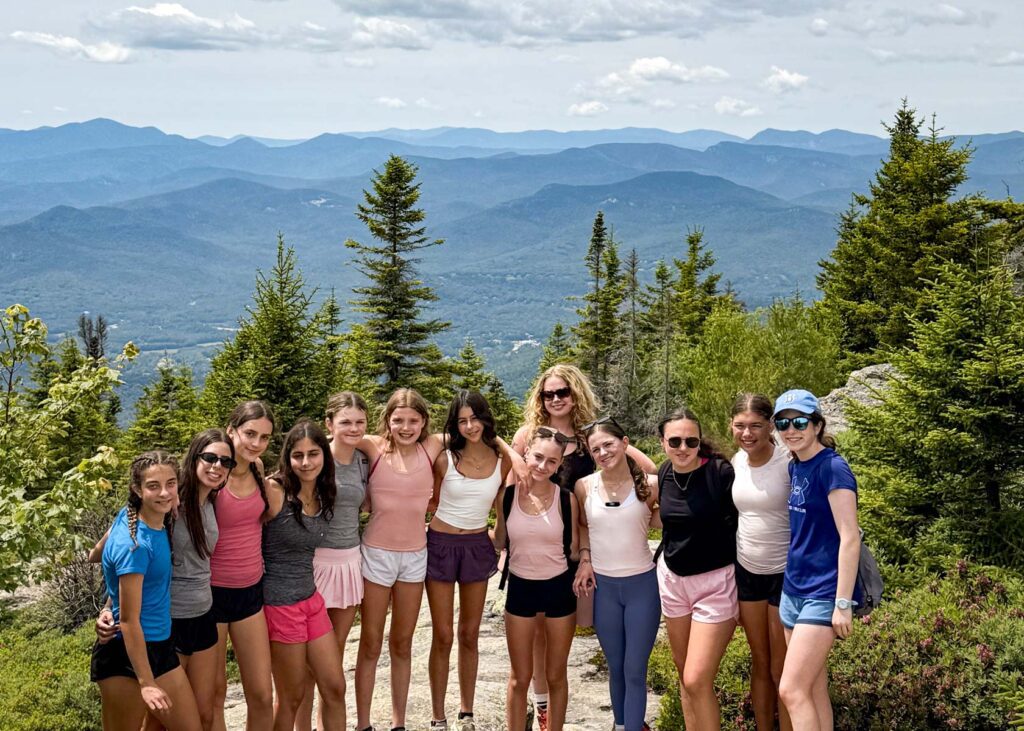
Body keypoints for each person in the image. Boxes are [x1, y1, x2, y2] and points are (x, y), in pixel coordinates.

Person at [511, 364, 655, 730]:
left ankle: (625, 717)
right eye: (549, 394)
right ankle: (543, 708)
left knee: (568, 631)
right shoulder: (530, 435)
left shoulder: (590, 436)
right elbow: (513, 483)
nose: (556, 399)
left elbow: (646, 465)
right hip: (542, 550)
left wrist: (637, 484)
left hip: (582, 551)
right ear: (540, 398)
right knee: (541, 634)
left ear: (576, 394)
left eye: (564, 392)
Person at [353, 388, 446, 731]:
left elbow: (480, 433)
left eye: (413, 420)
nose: (406, 427)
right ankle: (363, 724)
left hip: (414, 557)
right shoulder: (373, 446)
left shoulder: (432, 446)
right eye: (398, 420)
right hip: (376, 554)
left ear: (424, 422)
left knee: (402, 643)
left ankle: (398, 723)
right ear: (387, 421)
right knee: (371, 642)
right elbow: (333, 438)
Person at [90, 451, 202, 731]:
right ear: (137, 489)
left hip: (160, 646)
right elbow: (128, 621)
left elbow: (96, 555)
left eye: (171, 484)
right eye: (153, 486)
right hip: (126, 653)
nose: (164, 492)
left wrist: (107, 607)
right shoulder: (136, 545)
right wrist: (147, 684)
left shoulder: (133, 516)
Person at [772, 390, 861, 731]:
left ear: (818, 424)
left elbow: (850, 536)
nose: (790, 429)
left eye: (799, 421)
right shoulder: (796, 465)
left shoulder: (832, 467)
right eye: (782, 422)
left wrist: (842, 602)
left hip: (823, 592)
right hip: (793, 589)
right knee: (812, 686)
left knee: (791, 690)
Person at [426, 390, 511, 731]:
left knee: (470, 633)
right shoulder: (445, 458)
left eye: (475, 418)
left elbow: (501, 511)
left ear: (485, 418)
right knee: (443, 634)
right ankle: (437, 716)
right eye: (461, 421)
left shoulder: (501, 459)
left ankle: (467, 712)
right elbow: (428, 501)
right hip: (441, 544)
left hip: (477, 544)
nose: (469, 426)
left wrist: (500, 545)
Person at [573, 417, 661, 731]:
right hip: (604, 589)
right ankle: (622, 724)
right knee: (616, 667)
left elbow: (670, 521)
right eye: (595, 449)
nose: (602, 452)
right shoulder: (584, 486)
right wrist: (585, 558)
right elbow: (583, 527)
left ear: (625, 444)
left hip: (642, 588)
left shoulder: (651, 485)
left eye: (609, 444)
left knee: (635, 669)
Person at [656, 408, 738, 731]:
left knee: (696, 678)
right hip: (674, 583)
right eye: (674, 440)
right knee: (683, 674)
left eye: (691, 441)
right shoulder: (664, 473)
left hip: (716, 584)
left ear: (699, 441)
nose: (683, 448)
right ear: (662, 442)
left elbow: (743, 528)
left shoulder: (720, 473)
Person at [263, 419, 347, 731]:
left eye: (313, 453)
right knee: (291, 696)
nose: (306, 462)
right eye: (298, 455)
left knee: (335, 687)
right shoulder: (275, 492)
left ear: (324, 455)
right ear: (288, 458)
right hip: (278, 604)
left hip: (310, 599)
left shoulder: (325, 492)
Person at [295, 392, 371, 731]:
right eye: (345, 422)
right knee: (305, 664)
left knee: (332, 660)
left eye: (359, 422)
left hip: (349, 561)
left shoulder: (363, 460)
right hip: (315, 564)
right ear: (329, 424)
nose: (353, 429)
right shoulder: (315, 458)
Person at [494, 427, 579, 731]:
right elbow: (498, 540)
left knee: (556, 675)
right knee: (520, 677)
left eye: (552, 462)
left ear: (559, 466)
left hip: (559, 589)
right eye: (538, 457)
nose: (543, 466)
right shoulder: (507, 497)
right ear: (526, 452)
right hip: (520, 587)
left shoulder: (566, 499)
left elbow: (576, 547)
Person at [210, 401, 276, 731]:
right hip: (210, 596)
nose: (255, 443)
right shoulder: (212, 473)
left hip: (251, 591)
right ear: (232, 429)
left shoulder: (258, 469)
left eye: (264, 437)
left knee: (262, 694)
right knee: (214, 692)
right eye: (250, 434)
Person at [730, 394, 792, 731]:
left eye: (755, 425)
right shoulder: (736, 461)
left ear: (771, 425)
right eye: (740, 425)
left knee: (781, 667)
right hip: (747, 571)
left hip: (785, 574)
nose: (747, 433)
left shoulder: (787, 462)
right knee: (761, 661)